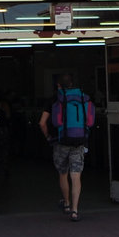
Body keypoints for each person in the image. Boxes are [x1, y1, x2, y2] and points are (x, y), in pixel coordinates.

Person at [38, 74, 93, 222]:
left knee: (63, 174)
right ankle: (75, 211)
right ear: (72, 83)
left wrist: (49, 137)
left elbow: (42, 123)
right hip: (79, 141)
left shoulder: (54, 99)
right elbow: (89, 121)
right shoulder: (83, 97)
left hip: (60, 142)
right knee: (76, 176)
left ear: (58, 85)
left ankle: (67, 204)